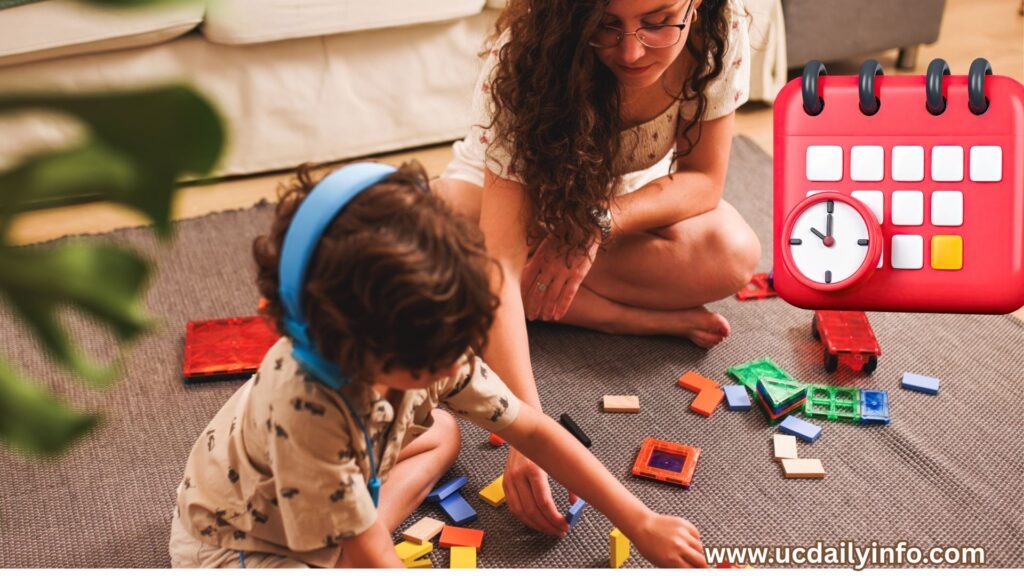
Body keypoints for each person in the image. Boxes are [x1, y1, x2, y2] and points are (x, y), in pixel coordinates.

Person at [167, 161, 708, 568]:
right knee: (352, 551)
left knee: (443, 429)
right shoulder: (308, 410)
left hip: (326, 479)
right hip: (237, 544)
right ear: (351, 344)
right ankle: (350, 523)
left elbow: (534, 432)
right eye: (434, 361)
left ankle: (353, 517)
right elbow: (365, 562)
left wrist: (640, 520)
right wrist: (369, 548)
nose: (456, 361)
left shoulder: (428, 337)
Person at [432, 0, 760, 538]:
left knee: (732, 252)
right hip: (495, 203)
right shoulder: (523, 53)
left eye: (658, 22)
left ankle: (541, 301)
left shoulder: (721, 27)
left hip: (608, 205)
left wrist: (592, 226)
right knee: (447, 233)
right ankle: (612, 315)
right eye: (604, 26)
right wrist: (527, 432)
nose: (631, 51)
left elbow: (704, 180)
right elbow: (501, 260)